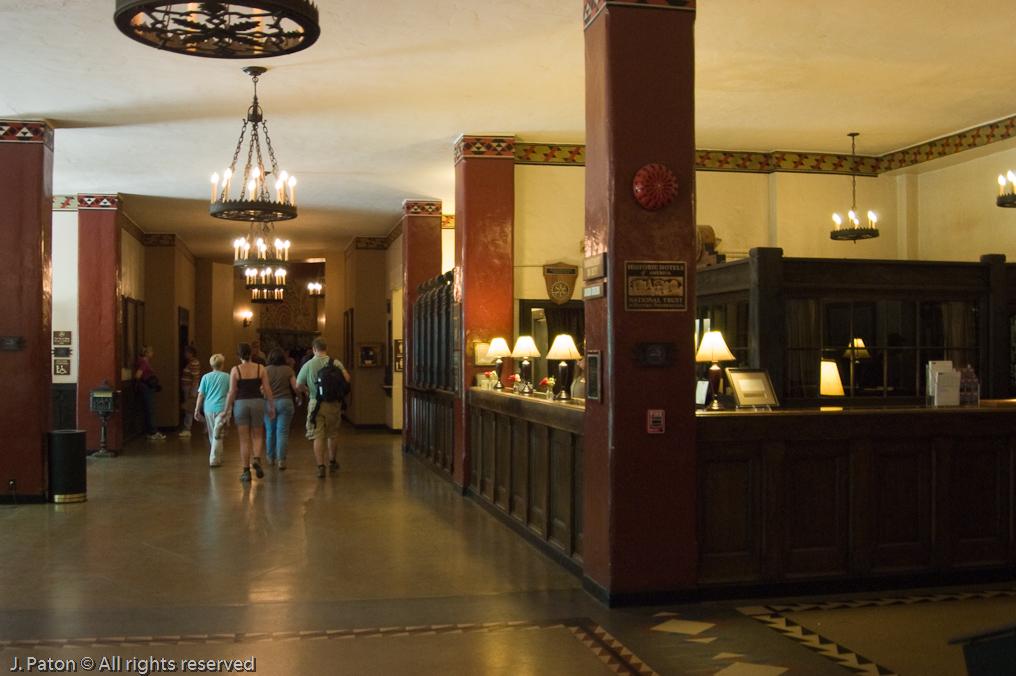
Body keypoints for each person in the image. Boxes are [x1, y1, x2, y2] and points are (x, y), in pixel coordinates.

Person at [296, 337, 350, 478]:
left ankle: (321, 466)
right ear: (326, 348)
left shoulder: (308, 365)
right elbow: (347, 378)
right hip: (333, 403)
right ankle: (332, 462)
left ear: (314, 349)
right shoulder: (335, 362)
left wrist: (309, 391)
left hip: (315, 403)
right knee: (332, 433)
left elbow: (298, 385)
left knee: (317, 435)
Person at [224, 343, 275, 483]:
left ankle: (246, 471)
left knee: (244, 439)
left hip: (241, 404)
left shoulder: (235, 370)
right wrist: (271, 407)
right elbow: (268, 389)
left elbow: (231, 392)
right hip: (258, 403)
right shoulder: (260, 368)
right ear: (251, 354)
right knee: (257, 435)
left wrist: (226, 410)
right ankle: (257, 458)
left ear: (238, 355)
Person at [264, 347, 298, 470]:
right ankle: (281, 460)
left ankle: (270, 457)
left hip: (269, 403)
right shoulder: (288, 370)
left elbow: (261, 388)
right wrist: (299, 396)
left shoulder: (265, 370)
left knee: (270, 431)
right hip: (285, 401)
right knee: (282, 432)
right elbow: (295, 386)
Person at [193, 354, 230, 467]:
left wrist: (196, 409)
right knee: (217, 434)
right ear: (222, 365)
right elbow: (230, 393)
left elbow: (201, 395)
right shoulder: (227, 377)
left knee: (212, 434)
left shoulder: (206, 377)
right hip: (222, 407)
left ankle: (217, 456)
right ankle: (215, 458)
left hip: (208, 408)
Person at [134, 345, 164, 440]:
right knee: (150, 409)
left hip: (147, 387)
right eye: (150, 351)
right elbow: (138, 375)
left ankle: (151, 430)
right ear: (146, 353)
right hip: (145, 388)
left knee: (149, 409)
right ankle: (152, 431)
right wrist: (146, 381)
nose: (152, 353)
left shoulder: (144, 362)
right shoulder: (143, 363)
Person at [178, 345, 200, 438]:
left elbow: (195, 378)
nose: (185, 354)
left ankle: (187, 428)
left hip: (190, 388)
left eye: (186, 352)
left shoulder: (193, 363)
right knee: (191, 408)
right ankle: (205, 423)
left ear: (191, 353)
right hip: (188, 388)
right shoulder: (191, 363)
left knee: (189, 408)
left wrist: (192, 391)